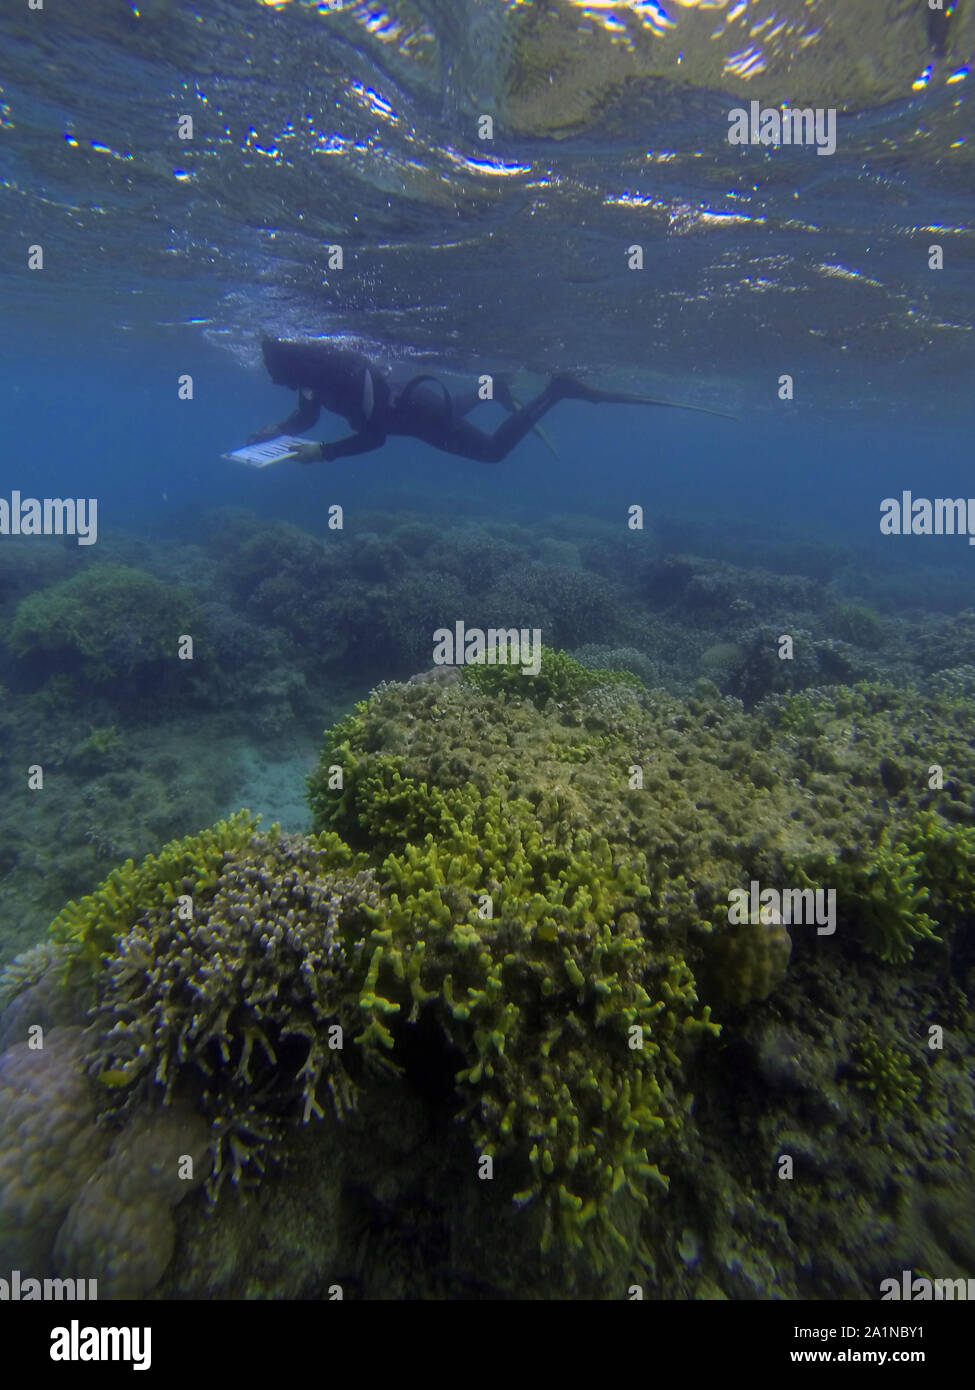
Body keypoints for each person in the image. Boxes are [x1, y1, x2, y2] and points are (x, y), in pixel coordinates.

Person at [249, 337, 731, 465]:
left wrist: (325, 453)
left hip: (418, 416)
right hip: (417, 412)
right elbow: (308, 412)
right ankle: (493, 388)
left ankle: (557, 391)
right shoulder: (308, 378)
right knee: (451, 408)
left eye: (278, 376)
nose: (275, 382)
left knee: (492, 453)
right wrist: (281, 430)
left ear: (293, 364)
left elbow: (373, 439)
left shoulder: (340, 371)